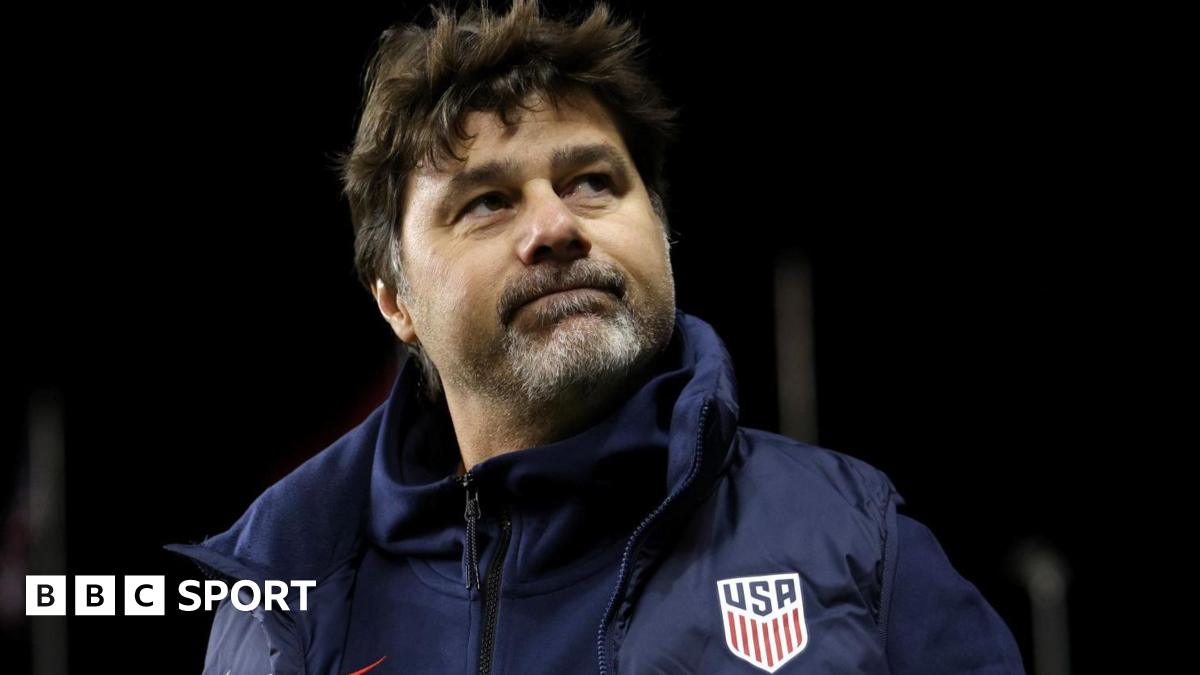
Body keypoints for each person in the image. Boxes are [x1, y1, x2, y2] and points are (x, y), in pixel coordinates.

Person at [166, 1, 1026, 672]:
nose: (555, 227)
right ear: (395, 301)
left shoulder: (856, 538)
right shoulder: (284, 600)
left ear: (659, 227)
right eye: (488, 201)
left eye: (591, 182)